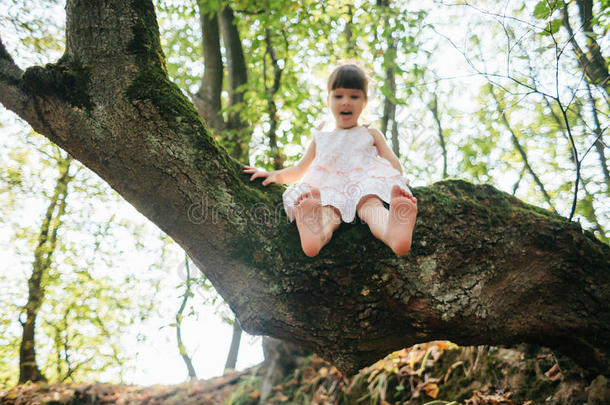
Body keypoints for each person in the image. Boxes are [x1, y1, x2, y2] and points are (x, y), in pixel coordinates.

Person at [243, 64, 417, 257]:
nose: (346, 102)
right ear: (328, 101)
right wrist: (274, 175)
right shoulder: (321, 137)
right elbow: (300, 169)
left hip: (364, 183)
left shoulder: (371, 133)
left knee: (371, 206)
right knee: (328, 212)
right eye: (338, 96)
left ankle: (393, 232)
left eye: (354, 96)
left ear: (364, 102)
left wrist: (394, 185)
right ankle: (314, 235)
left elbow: (395, 167)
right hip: (328, 187)